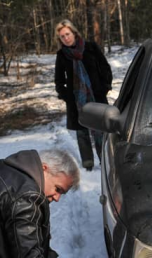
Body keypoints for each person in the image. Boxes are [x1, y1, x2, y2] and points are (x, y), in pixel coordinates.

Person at [54, 19, 113, 171]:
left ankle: (105, 158)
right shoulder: (62, 55)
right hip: (76, 99)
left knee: (100, 128)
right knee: (82, 131)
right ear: (60, 39)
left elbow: (105, 67)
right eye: (62, 36)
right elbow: (59, 80)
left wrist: (105, 87)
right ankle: (87, 161)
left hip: (96, 95)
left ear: (74, 33)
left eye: (67, 34)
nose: (66, 38)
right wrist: (67, 96)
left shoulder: (91, 47)